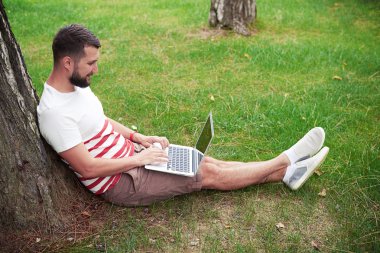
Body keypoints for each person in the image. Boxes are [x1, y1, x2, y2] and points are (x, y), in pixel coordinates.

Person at [37, 24, 329, 207]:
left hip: (134, 154)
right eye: (91, 64)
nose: (96, 70)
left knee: (206, 161)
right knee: (208, 173)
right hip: (122, 181)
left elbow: (99, 120)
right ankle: (286, 160)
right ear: (67, 62)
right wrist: (140, 159)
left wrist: (139, 138)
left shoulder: (77, 85)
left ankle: (290, 174)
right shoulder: (53, 113)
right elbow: (87, 168)